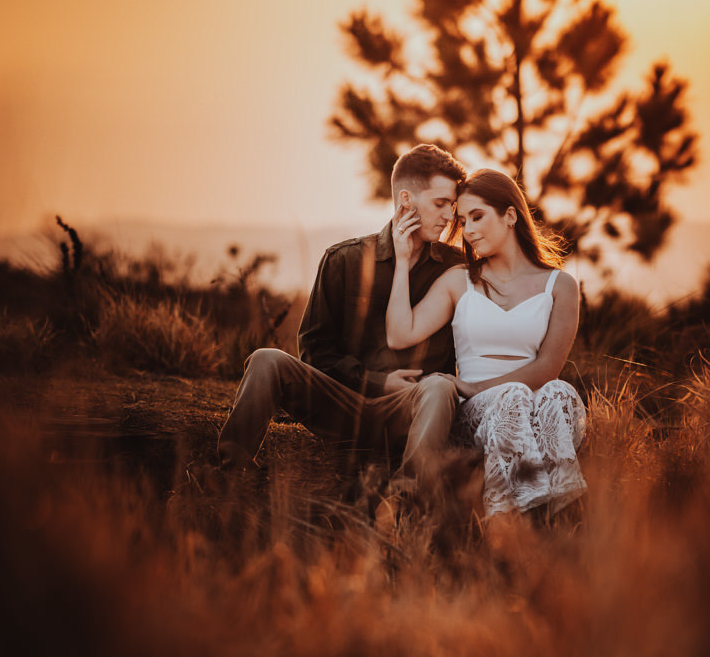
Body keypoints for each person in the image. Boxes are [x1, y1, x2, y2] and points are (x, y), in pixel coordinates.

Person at [217, 144, 467, 490]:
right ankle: (230, 476)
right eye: (440, 204)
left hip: (413, 411)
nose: (448, 216)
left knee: (439, 386)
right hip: (341, 405)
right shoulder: (343, 260)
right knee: (266, 359)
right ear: (406, 200)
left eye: (452, 207)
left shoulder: (456, 269)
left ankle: (408, 496)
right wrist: (379, 381)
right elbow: (315, 351)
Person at [385, 168, 587, 518]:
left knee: (560, 391)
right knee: (515, 395)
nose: (469, 230)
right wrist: (401, 261)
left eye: (477, 216)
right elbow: (400, 333)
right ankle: (505, 522)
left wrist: (472, 383)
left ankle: (564, 515)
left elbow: (547, 367)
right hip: (475, 413)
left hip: (530, 399)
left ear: (510, 215)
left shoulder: (561, 285)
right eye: (463, 221)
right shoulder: (459, 281)